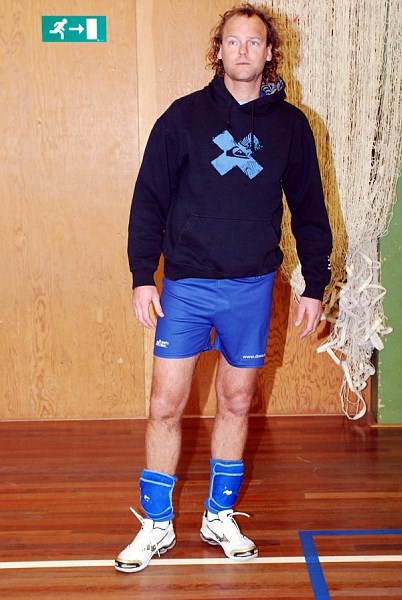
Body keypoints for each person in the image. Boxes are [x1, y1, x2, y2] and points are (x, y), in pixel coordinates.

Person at [115, 2, 332, 573]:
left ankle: (219, 515)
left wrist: (315, 284)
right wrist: (142, 275)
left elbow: (310, 211)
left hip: (251, 287)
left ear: (269, 53)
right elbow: (148, 200)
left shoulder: (291, 127)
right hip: (186, 285)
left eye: (254, 42)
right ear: (218, 51)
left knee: (236, 402)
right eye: (232, 41)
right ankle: (157, 524)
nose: (243, 50)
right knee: (165, 404)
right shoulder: (182, 118)